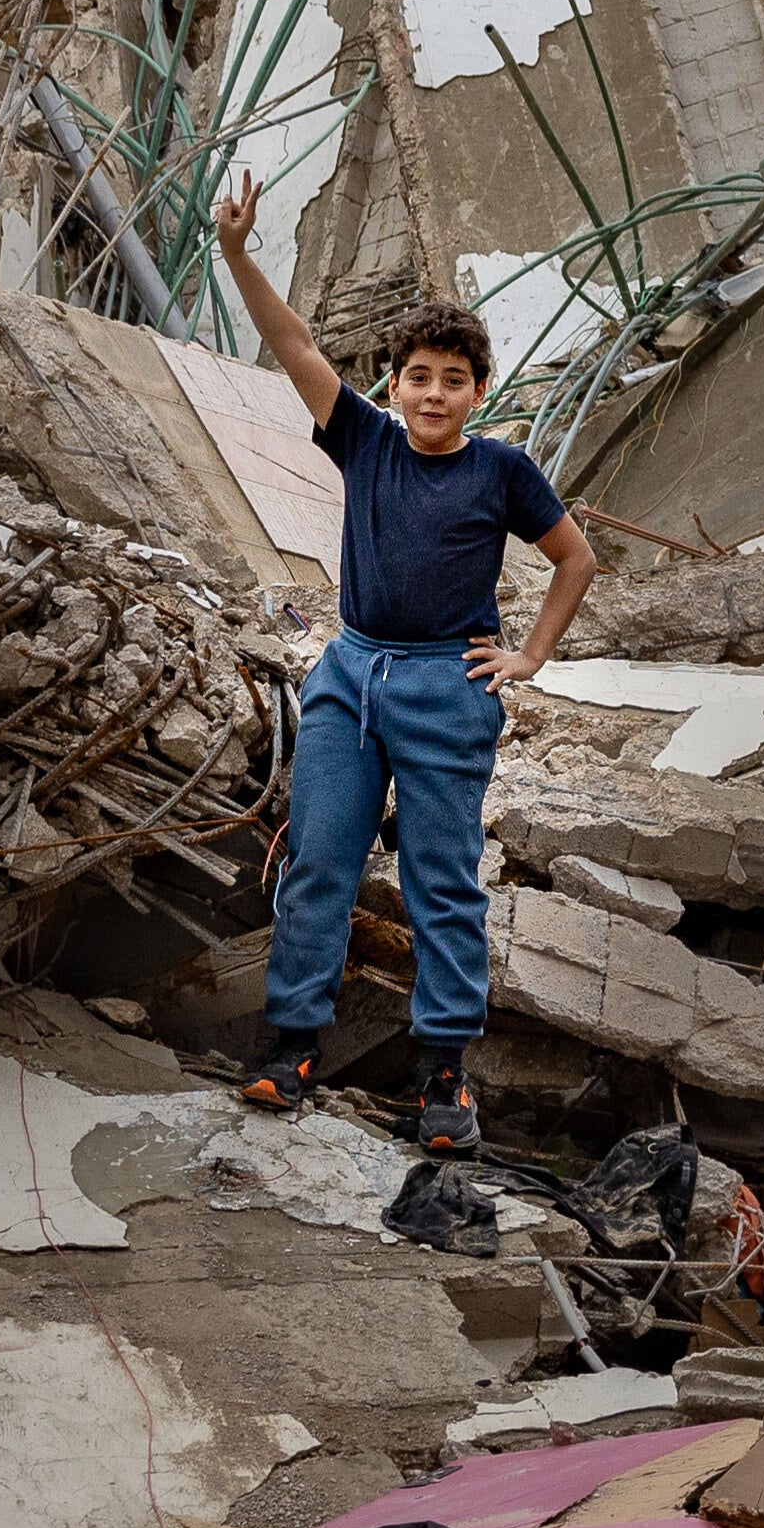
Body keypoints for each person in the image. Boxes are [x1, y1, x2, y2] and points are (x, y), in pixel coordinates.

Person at [214, 167, 594, 1154]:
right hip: (350, 672)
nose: (432, 393)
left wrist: (529, 657)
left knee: (440, 886)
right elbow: (292, 341)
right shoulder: (365, 441)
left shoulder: (500, 469)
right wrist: (238, 252)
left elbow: (574, 557)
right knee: (319, 863)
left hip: (442, 686)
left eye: (452, 379)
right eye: (417, 376)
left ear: (478, 390)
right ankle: (289, 1048)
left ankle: (443, 1079)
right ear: (394, 384)